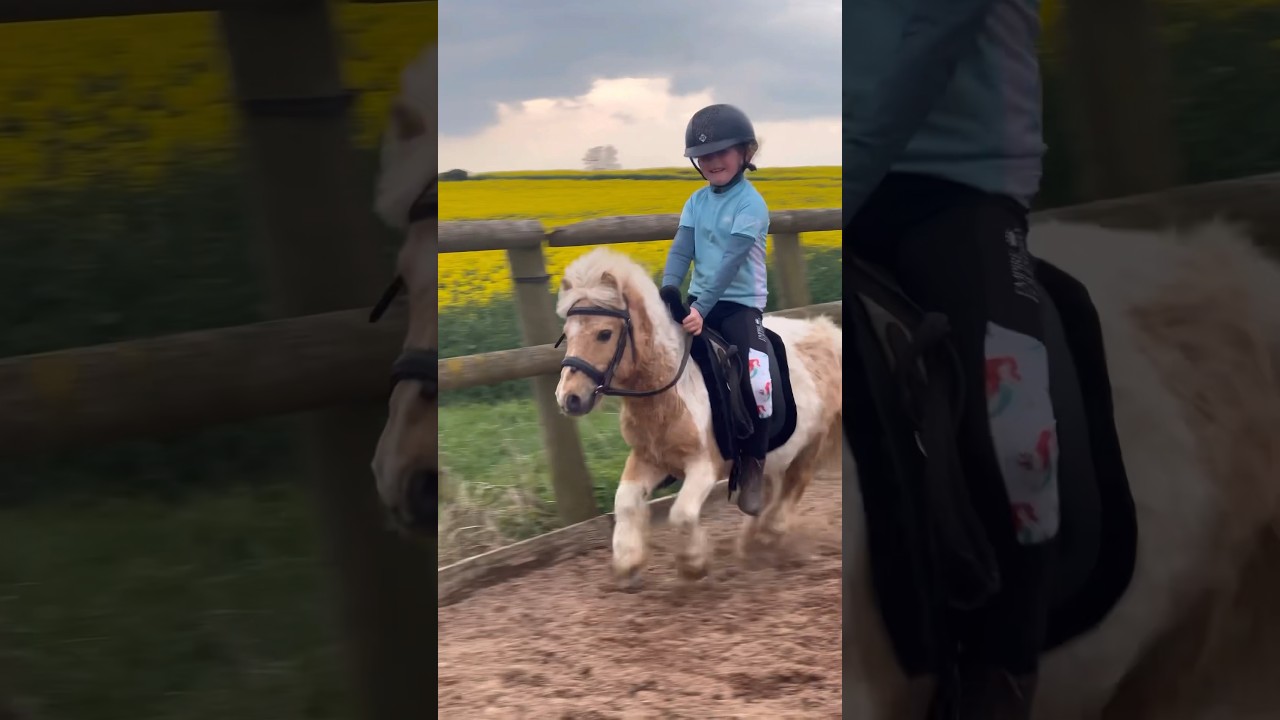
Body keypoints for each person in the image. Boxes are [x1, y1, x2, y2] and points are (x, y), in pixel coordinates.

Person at [845, 1, 1057, 718]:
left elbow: (934, 36)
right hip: (839, 184)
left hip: (962, 186)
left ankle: (1006, 661)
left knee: (1012, 416)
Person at [660, 103, 773, 517]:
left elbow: (729, 262)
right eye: (704, 156)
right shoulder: (695, 201)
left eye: (722, 153)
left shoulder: (751, 205)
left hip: (739, 306)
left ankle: (754, 465)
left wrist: (701, 308)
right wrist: (669, 290)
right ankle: (670, 447)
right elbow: (681, 249)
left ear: (746, 153)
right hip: (698, 304)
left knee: (759, 380)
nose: (712, 162)